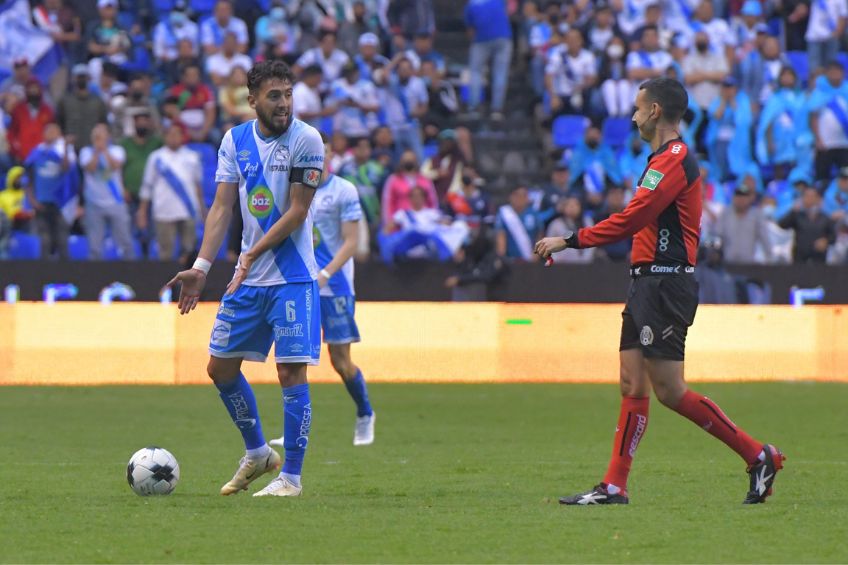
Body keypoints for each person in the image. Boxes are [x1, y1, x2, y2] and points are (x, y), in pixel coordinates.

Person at [535, 77, 784, 505]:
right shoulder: (661, 159)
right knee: (632, 383)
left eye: (637, 107)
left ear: (654, 112)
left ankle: (758, 454)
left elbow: (633, 218)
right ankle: (614, 485)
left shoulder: (674, 159)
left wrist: (570, 239)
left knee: (669, 390)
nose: (632, 115)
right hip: (646, 280)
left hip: (667, 281)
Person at [164, 61, 324, 498]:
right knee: (219, 367)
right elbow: (221, 208)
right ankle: (258, 453)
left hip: (291, 278)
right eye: (275, 96)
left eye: (288, 94)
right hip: (249, 281)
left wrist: (252, 251)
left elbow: (297, 211)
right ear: (252, 100)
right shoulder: (234, 140)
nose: (284, 103)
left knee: (291, 374)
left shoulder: (307, 139)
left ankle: (290, 477)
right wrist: (201, 266)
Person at [271, 140, 375, 448]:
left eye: (324, 153)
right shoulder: (295, 187)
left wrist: (326, 274)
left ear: (329, 156)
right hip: (300, 283)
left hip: (336, 285)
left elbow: (351, 241)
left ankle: (365, 412)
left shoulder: (343, 190)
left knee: (340, 361)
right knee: (293, 359)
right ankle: (292, 431)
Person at [138, 124, 205, 262]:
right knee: (165, 254)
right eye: (170, 134)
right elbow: (147, 186)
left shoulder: (192, 157)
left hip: (188, 211)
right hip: (164, 211)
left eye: (177, 134)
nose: (173, 137)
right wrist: (142, 211)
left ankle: (188, 284)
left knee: (189, 253)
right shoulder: (156, 158)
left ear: (182, 136)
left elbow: (197, 185)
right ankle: (167, 283)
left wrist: (202, 209)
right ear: (165, 137)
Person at [80, 124, 135, 260]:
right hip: (94, 203)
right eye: (96, 135)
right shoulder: (86, 152)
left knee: (125, 242)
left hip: (116, 201)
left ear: (108, 136)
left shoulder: (117, 150)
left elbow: (115, 165)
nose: (99, 138)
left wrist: (103, 149)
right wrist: (97, 151)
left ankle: (131, 274)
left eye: (101, 135)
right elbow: (90, 168)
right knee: (95, 246)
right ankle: (95, 277)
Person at [24, 123, 75, 259]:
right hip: (41, 203)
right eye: (49, 131)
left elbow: (66, 168)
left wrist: (65, 147)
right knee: (44, 240)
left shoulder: (60, 152)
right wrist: (32, 201)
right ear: (44, 133)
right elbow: (27, 180)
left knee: (62, 240)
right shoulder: (36, 153)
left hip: (59, 205)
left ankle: (66, 276)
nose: (52, 134)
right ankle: (43, 276)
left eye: (55, 131)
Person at [464, 0, 513, 120]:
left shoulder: (471, 5)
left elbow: (470, 30)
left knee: (475, 72)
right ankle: (497, 109)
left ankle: (474, 108)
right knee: (500, 73)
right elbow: (508, 12)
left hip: (481, 39)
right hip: (503, 37)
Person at [715, 183, 773, 264]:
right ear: (733, 198)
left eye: (744, 196)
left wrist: (769, 257)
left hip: (748, 264)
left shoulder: (756, 215)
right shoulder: (725, 213)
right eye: (738, 196)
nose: (741, 199)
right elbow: (717, 235)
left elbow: (764, 238)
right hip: (727, 263)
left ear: (749, 199)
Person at [778, 185, 837, 263]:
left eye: (812, 196)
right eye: (806, 196)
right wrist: (792, 211)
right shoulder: (797, 215)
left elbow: (833, 237)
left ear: (818, 199)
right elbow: (782, 225)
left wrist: (826, 241)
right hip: (800, 259)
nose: (809, 199)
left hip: (819, 259)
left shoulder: (825, 218)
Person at [495, 186, 543, 261]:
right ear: (510, 197)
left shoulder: (534, 214)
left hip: (530, 260)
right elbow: (501, 236)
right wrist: (502, 257)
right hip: (510, 260)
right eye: (517, 195)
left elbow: (539, 235)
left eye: (524, 195)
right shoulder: (504, 213)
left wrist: (535, 255)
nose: (520, 198)